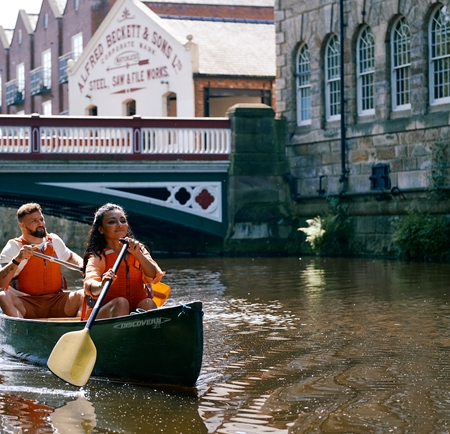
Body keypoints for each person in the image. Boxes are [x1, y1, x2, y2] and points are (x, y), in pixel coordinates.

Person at [81, 203, 165, 320]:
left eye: (123, 221)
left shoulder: (138, 248)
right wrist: (102, 284)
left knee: (148, 303)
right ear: (101, 229)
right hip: (104, 314)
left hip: (135, 308)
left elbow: (154, 276)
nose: (120, 225)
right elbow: (90, 285)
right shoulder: (98, 256)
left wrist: (138, 254)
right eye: (112, 222)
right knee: (121, 303)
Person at [0, 203, 84, 318]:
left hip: (56, 301)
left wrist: (83, 266)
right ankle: (21, 330)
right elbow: (1, 283)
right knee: (3, 296)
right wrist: (17, 259)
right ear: (22, 226)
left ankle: (77, 329)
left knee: (84, 295)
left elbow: (69, 257)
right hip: (26, 303)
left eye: (41, 219)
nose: (40, 224)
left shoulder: (54, 240)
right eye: (34, 221)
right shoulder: (13, 247)